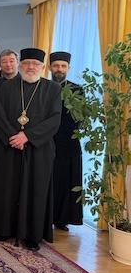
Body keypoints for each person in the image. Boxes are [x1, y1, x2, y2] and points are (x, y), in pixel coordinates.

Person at [0, 48, 62, 251]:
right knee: (7, 188)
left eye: (35, 64)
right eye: (27, 63)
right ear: (20, 65)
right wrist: (14, 137)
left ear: (42, 67)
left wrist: (27, 136)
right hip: (10, 146)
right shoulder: (6, 87)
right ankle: (4, 229)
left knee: (35, 190)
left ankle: (32, 234)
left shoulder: (53, 88)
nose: (31, 67)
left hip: (39, 149)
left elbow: (55, 119)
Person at [50, 51, 83, 231]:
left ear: (68, 68)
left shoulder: (77, 90)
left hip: (69, 143)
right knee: (48, 182)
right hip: (47, 142)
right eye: (56, 65)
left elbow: (80, 118)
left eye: (63, 66)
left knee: (66, 182)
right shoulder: (44, 87)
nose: (59, 69)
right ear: (50, 67)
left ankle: (62, 219)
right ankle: (45, 217)